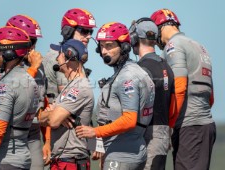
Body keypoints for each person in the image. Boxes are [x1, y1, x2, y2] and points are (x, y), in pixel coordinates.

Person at [75, 22, 155, 170]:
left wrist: (94, 132)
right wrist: (99, 145)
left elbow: (129, 120)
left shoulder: (127, 77)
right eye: (102, 46)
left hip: (122, 154)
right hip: (126, 151)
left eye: (110, 45)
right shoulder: (128, 72)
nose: (104, 51)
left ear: (124, 47)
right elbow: (108, 117)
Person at [151, 9, 216, 170]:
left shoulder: (173, 46)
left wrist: (169, 125)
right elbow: (210, 97)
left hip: (189, 126)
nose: (155, 40)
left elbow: (179, 88)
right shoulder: (200, 47)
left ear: (161, 28)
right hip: (206, 124)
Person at [0, 26, 40, 170]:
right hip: (21, 156)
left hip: (4, 160)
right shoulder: (30, 80)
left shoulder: (7, 85)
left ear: (9, 52)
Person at [39, 39, 94, 170]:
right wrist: (53, 114)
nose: (57, 57)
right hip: (62, 160)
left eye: (60, 53)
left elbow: (52, 121)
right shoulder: (70, 86)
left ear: (68, 56)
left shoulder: (79, 87)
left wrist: (52, 114)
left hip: (70, 162)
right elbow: (40, 118)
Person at [129, 17, 175, 170]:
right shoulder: (167, 67)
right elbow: (173, 106)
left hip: (144, 134)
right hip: (162, 135)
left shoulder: (138, 69)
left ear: (135, 39)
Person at [6, 15, 50, 169]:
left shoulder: (40, 66)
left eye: (34, 41)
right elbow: (15, 92)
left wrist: (48, 141)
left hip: (33, 133)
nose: (32, 46)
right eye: (29, 41)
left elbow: (43, 105)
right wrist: (32, 69)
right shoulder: (4, 63)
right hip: (11, 134)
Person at [43, 8, 96, 105]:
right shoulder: (61, 56)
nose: (88, 36)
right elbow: (69, 98)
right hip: (62, 116)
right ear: (68, 31)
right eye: (84, 31)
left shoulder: (70, 54)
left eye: (90, 32)